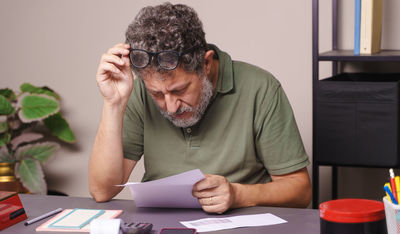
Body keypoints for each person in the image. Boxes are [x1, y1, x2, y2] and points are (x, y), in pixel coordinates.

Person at [89, 2, 311, 214]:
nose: (171, 106)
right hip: (160, 231)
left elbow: (300, 191)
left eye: (180, 90)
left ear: (205, 64)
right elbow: (102, 191)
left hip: (242, 230)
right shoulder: (139, 92)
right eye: (157, 94)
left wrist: (238, 194)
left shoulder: (261, 88)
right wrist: (113, 103)